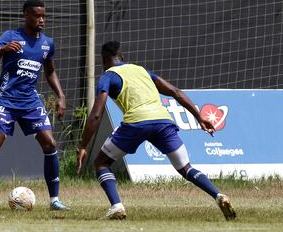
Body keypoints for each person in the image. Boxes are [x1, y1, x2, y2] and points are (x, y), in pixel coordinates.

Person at [76, 41, 236, 220]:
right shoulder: (141, 70)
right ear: (122, 57)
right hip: (162, 121)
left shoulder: (108, 76)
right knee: (186, 168)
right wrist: (199, 117)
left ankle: (117, 206)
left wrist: (83, 145)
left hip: (136, 123)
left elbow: (96, 114)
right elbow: (175, 91)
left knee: (101, 163)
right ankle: (218, 195)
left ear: (104, 61)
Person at [0, 0, 68, 212]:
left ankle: (55, 200)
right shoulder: (10, 36)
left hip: (31, 101)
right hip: (6, 100)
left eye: (43, 16)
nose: (41, 19)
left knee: (50, 144)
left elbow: (50, 71)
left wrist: (60, 96)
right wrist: (3, 50)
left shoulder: (47, 43)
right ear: (26, 15)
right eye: (37, 15)